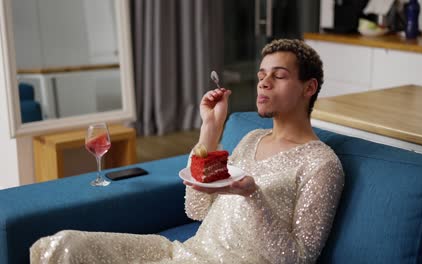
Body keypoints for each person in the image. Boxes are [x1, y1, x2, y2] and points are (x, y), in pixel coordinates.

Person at [30, 39, 344, 264]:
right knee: (65, 246)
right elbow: (197, 210)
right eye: (262, 75)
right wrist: (210, 127)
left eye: (278, 76)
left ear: (309, 88)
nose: (263, 83)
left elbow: (299, 258)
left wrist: (254, 197)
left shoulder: (321, 164)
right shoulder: (252, 139)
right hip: (184, 253)